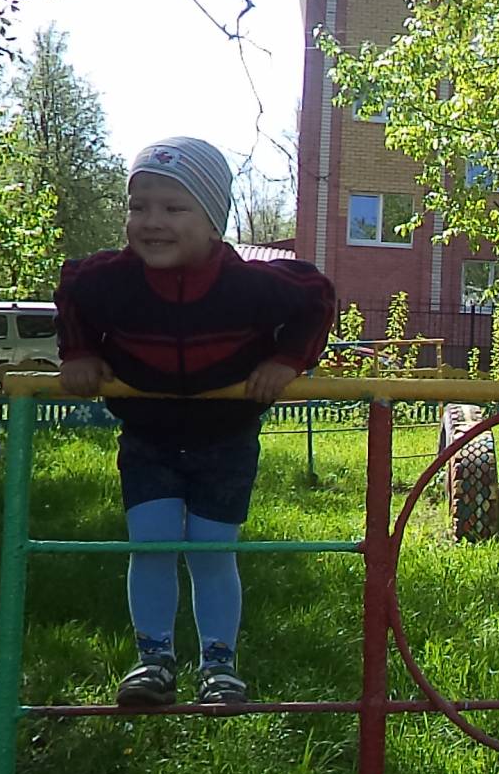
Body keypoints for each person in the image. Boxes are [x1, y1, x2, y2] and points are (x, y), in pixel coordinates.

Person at [55, 136, 336, 707]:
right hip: (148, 434)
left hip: (225, 436)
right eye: (138, 207)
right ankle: (153, 661)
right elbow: (72, 292)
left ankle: (219, 666)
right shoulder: (109, 280)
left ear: (212, 222)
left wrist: (286, 361)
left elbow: (317, 296)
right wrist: (79, 352)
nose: (152, 222)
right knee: (151, 545)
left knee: (212, 550)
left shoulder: (249, 284)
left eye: (173, 207)